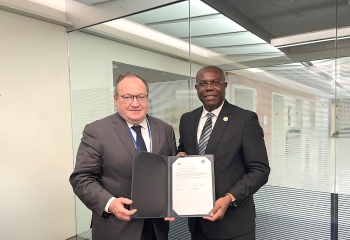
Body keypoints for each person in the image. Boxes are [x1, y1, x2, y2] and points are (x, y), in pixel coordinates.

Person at [70, 72, 176, 240]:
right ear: (115, 98)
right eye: (127, 97)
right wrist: (110, 204)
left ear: (147, 98)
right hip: (116, 228)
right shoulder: (97, 131)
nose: (135, 103)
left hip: (157, 227)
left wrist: (173, 203)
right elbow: (81, 178)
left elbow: (170, 174)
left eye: (140, 97)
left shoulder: (165, 129)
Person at [177, 66, 270, 240]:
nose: (209, 87)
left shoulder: (244, 119)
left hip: (234, 226)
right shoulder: (187, 119)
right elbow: (183, 149)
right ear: (196, 88)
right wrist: (179, 157)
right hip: (198, 224)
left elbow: (260, 170)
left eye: (215, 82)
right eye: (203, 83)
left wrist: (230, 197)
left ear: (225, 85)